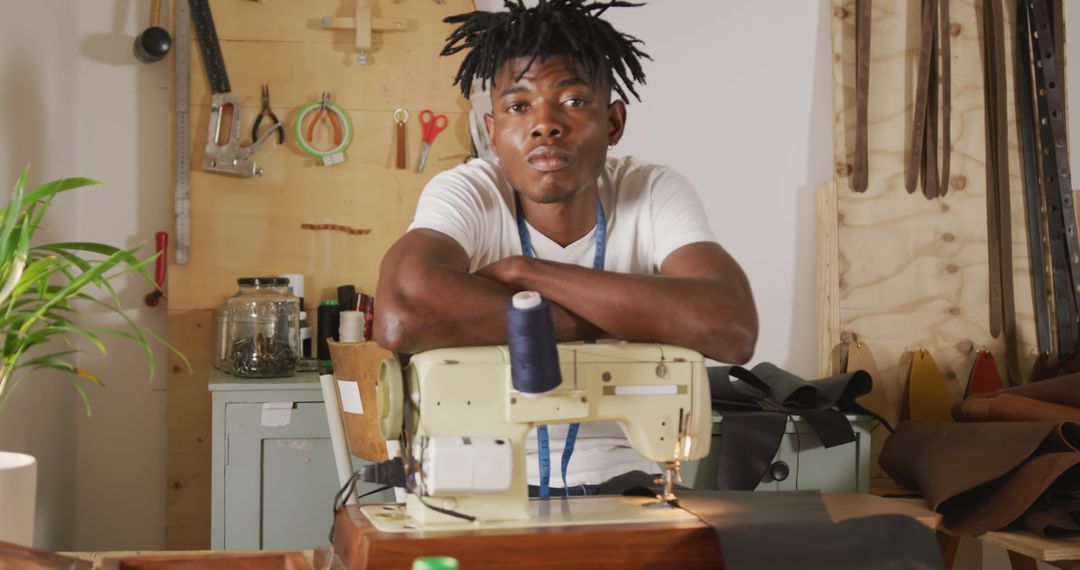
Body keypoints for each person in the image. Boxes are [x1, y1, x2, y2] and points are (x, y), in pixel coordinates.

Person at [375, 0, 758, 497]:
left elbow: (730, 329)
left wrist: (527, 272)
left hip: (627, 483)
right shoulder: (467, 192)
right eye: (518, 106)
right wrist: (631, 319)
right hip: (480, 483)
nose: (545, 124)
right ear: (491, 133)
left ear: (615, 122)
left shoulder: (653, 191)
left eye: (574, 102)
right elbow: (401, 316)